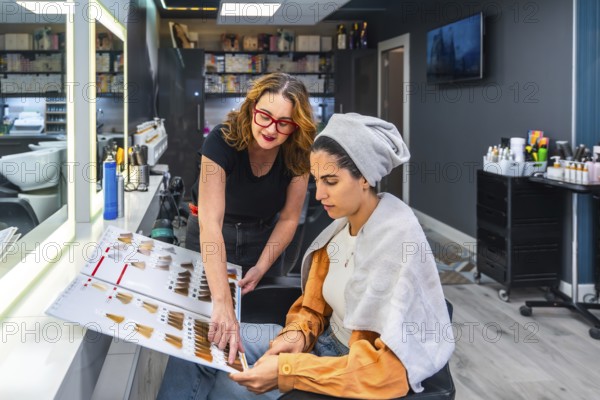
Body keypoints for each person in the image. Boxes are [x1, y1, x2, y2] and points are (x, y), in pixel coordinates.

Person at [158, 113, 454, 399]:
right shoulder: (338, 232)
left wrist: (289, 370)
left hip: (344, 369)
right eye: (316, 180)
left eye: (331, 181)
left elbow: (387, 373)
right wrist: (296, 336)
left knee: (222, 388)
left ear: (364, 177)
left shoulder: (396, 243)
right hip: (315, 346)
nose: (318, 194)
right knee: (197, 340)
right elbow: (313, 309)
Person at [185, 72, 316, 363]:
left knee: (255, 325)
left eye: (284, 123)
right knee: (206, 328)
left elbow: (289, 219)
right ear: (251, 107)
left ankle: (245, 386)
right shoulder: (222, 140)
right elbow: (211, 224)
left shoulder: (298, 154)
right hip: (210, 235)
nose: (271, 129)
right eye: (265, 116)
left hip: (264, 239)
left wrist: (262, 265)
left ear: (296, 126)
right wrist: (222, 302)